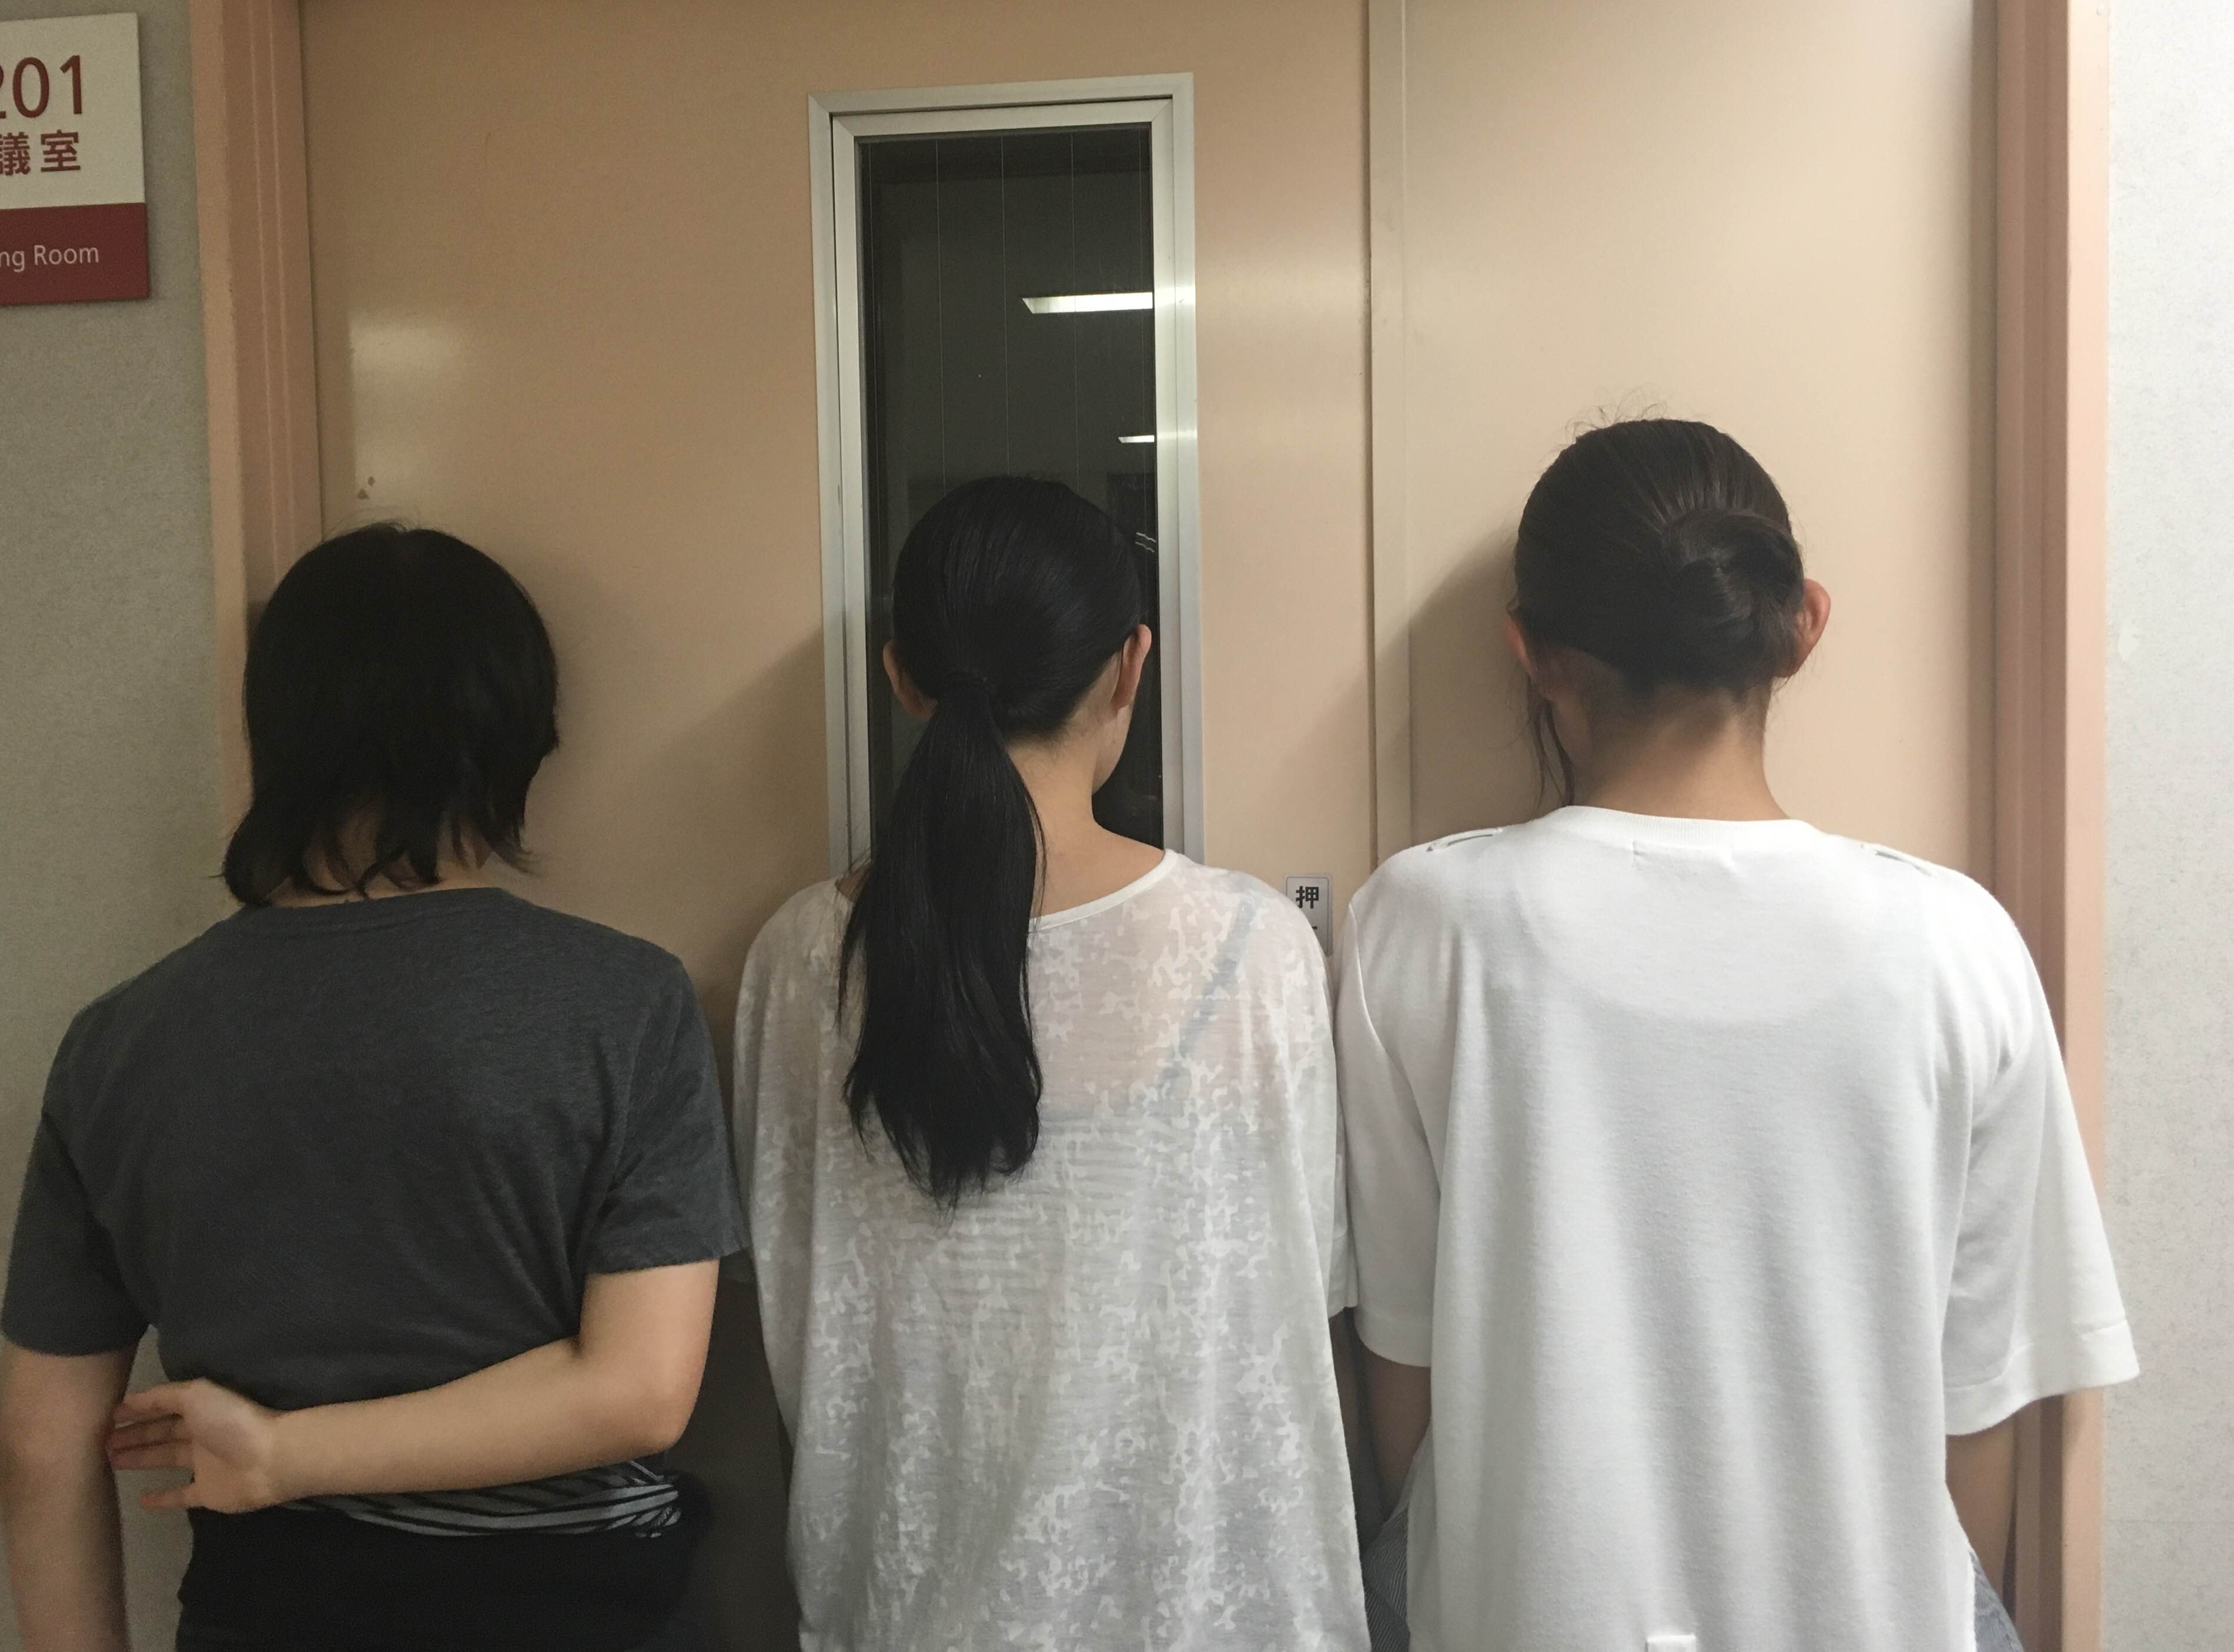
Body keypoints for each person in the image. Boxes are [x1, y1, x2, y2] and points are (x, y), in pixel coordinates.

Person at [1338, 419, 2136, 1652]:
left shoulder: (1421, 924)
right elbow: (1982, 1400)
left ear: (1531, 653)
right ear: (1803, 624)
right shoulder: (1956, 942)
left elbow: (1402, 1358)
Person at [0, 523, 745, 1652]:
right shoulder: (626, 1004)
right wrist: (281, 1454)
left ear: (276, 735)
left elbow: (38, 1441)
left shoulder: (116, 1044)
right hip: (577, 1612)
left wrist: (283, 1456)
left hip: (268, 1612)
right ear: (516, 739)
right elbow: (636, 1392)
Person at [735, 475, 1366, 1650]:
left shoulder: (801, 959)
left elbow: (793, 1314)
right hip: (1202, 1615)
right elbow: (1303, 1300)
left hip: (906, 1611)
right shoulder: (1254, 948)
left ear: (901, 677)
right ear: (1132, 666)